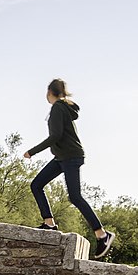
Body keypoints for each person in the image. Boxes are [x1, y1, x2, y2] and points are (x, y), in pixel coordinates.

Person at [23, 78, 115, 259]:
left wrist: (32, 151)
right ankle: (49, 224)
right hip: (62, 157)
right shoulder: (63, 107)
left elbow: (55, 135)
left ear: (50, 92)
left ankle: (102, 235)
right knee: (37, 185)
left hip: (70, 157)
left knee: (75, 196)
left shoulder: (58, 107)